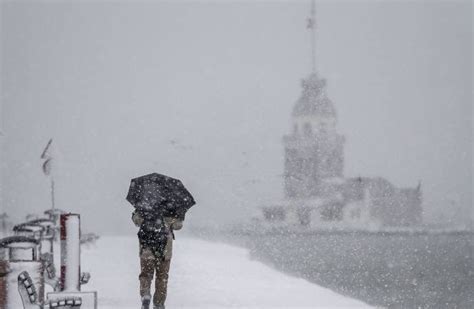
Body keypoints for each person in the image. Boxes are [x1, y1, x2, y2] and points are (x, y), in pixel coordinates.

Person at [132, 206, 183, 309]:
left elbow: (137, 221)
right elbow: (178, 225)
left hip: (147, 248)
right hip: (164, 251)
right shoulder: (171, 206)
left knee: (145, 275)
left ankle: (145, 295)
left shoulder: (145, 204)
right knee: (162, 277)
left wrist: (136, 214)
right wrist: (178, 217)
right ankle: (159, 303)